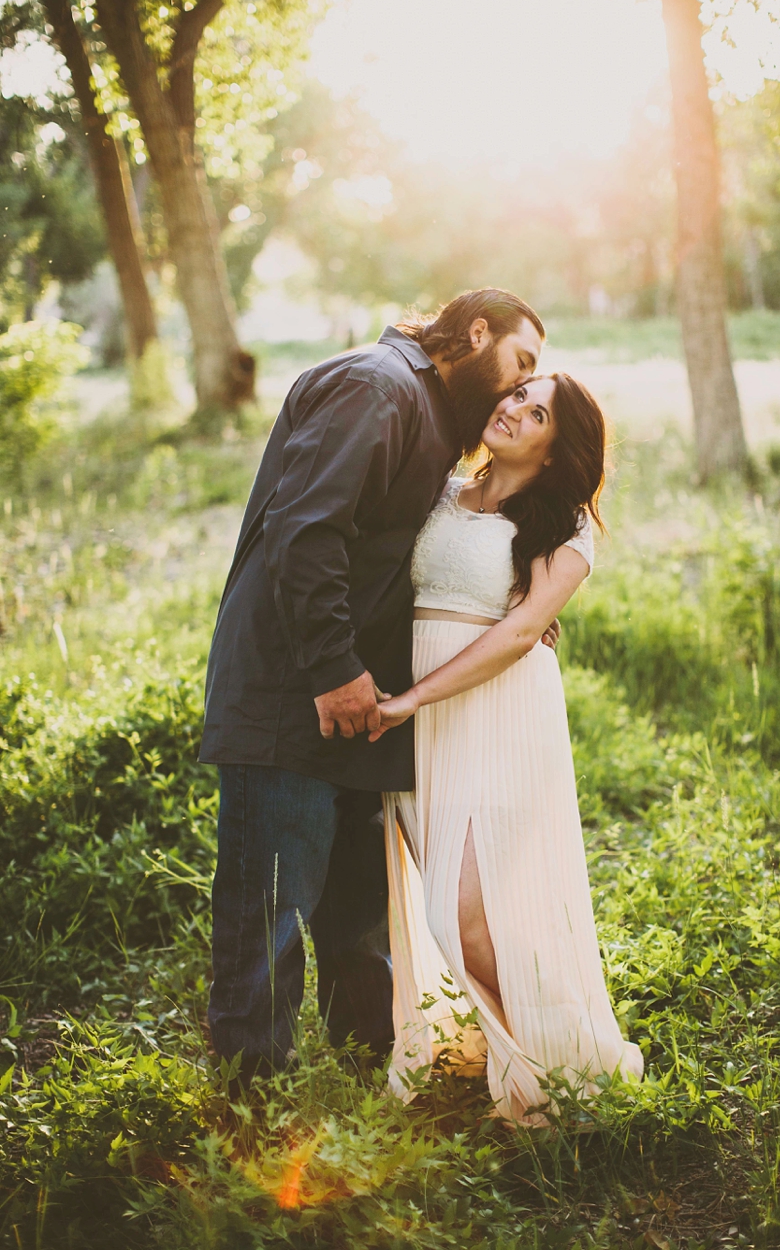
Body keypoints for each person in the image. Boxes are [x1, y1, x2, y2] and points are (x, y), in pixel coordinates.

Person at [199, 289, 549, 1081]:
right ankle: (251, 1107)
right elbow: (307, 529)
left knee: (361, 921)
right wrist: (333, 671)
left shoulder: (429, 416)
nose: (518, 389)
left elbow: (412, 552)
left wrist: (514, 604)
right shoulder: (377, 386)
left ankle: (374, 1080)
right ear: (477, 331)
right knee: (270, 916)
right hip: (298, 696)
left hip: (364, 711)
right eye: (519, 365)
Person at [372, 373, 644, 1123]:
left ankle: (552, 1065)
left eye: (536, 412)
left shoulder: (564, 529)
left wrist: (413, 697)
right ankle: (516, 1048)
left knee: (461, 914)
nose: (513, 409)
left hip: (496, 713)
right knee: (445, 899)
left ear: (558, 449)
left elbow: (522, 631)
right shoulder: (443, 486)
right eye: (517, 393)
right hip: (420, 716)